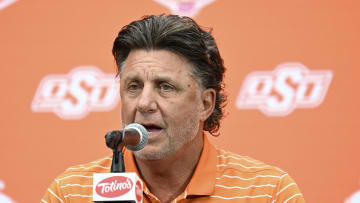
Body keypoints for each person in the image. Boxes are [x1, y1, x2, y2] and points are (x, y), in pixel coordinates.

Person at [41, 14, 305, 203]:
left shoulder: (269, 193)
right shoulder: (70, 193)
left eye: (165, 87)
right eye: (133, 86)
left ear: (205, 104)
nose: (144, 103)